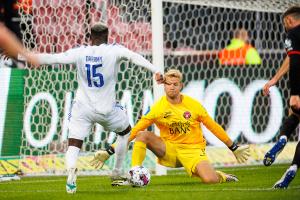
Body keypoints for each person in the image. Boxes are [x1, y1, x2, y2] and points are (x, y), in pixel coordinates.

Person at [31, 23, 164, 193]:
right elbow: (134, 57)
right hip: (107, 109)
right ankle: (117, 173)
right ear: (107, 35)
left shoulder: (80, 52)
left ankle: (71, 173)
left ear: (90, 36)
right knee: (125, 133)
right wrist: (156, 70)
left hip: (83, 107)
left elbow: (53, 58)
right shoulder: (114, 50)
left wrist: (22, 54)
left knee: (74, 144)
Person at [91, 69, 250, 184]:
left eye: (175, 84)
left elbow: (213, 126)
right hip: (169, 150)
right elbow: (135, 130)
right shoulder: (159, 108)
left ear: (181, 85)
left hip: (193, 151)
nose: (171, 87)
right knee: (142, 135)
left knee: (210, 179)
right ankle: (134, 175)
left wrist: (233, 147)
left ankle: (220, 176)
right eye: (168, 84)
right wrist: (110, 150)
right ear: (164, 85)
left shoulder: (194, 105)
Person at [262, 6, 300, 189]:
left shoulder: (293, 33)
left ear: (289, 21)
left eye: (285, 23)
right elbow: (290, 58)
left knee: (294, 113)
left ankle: (283, 138)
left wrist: (295, 93)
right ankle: (293, 167)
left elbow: (295, 61)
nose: (285, 27)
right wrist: (275, 79)